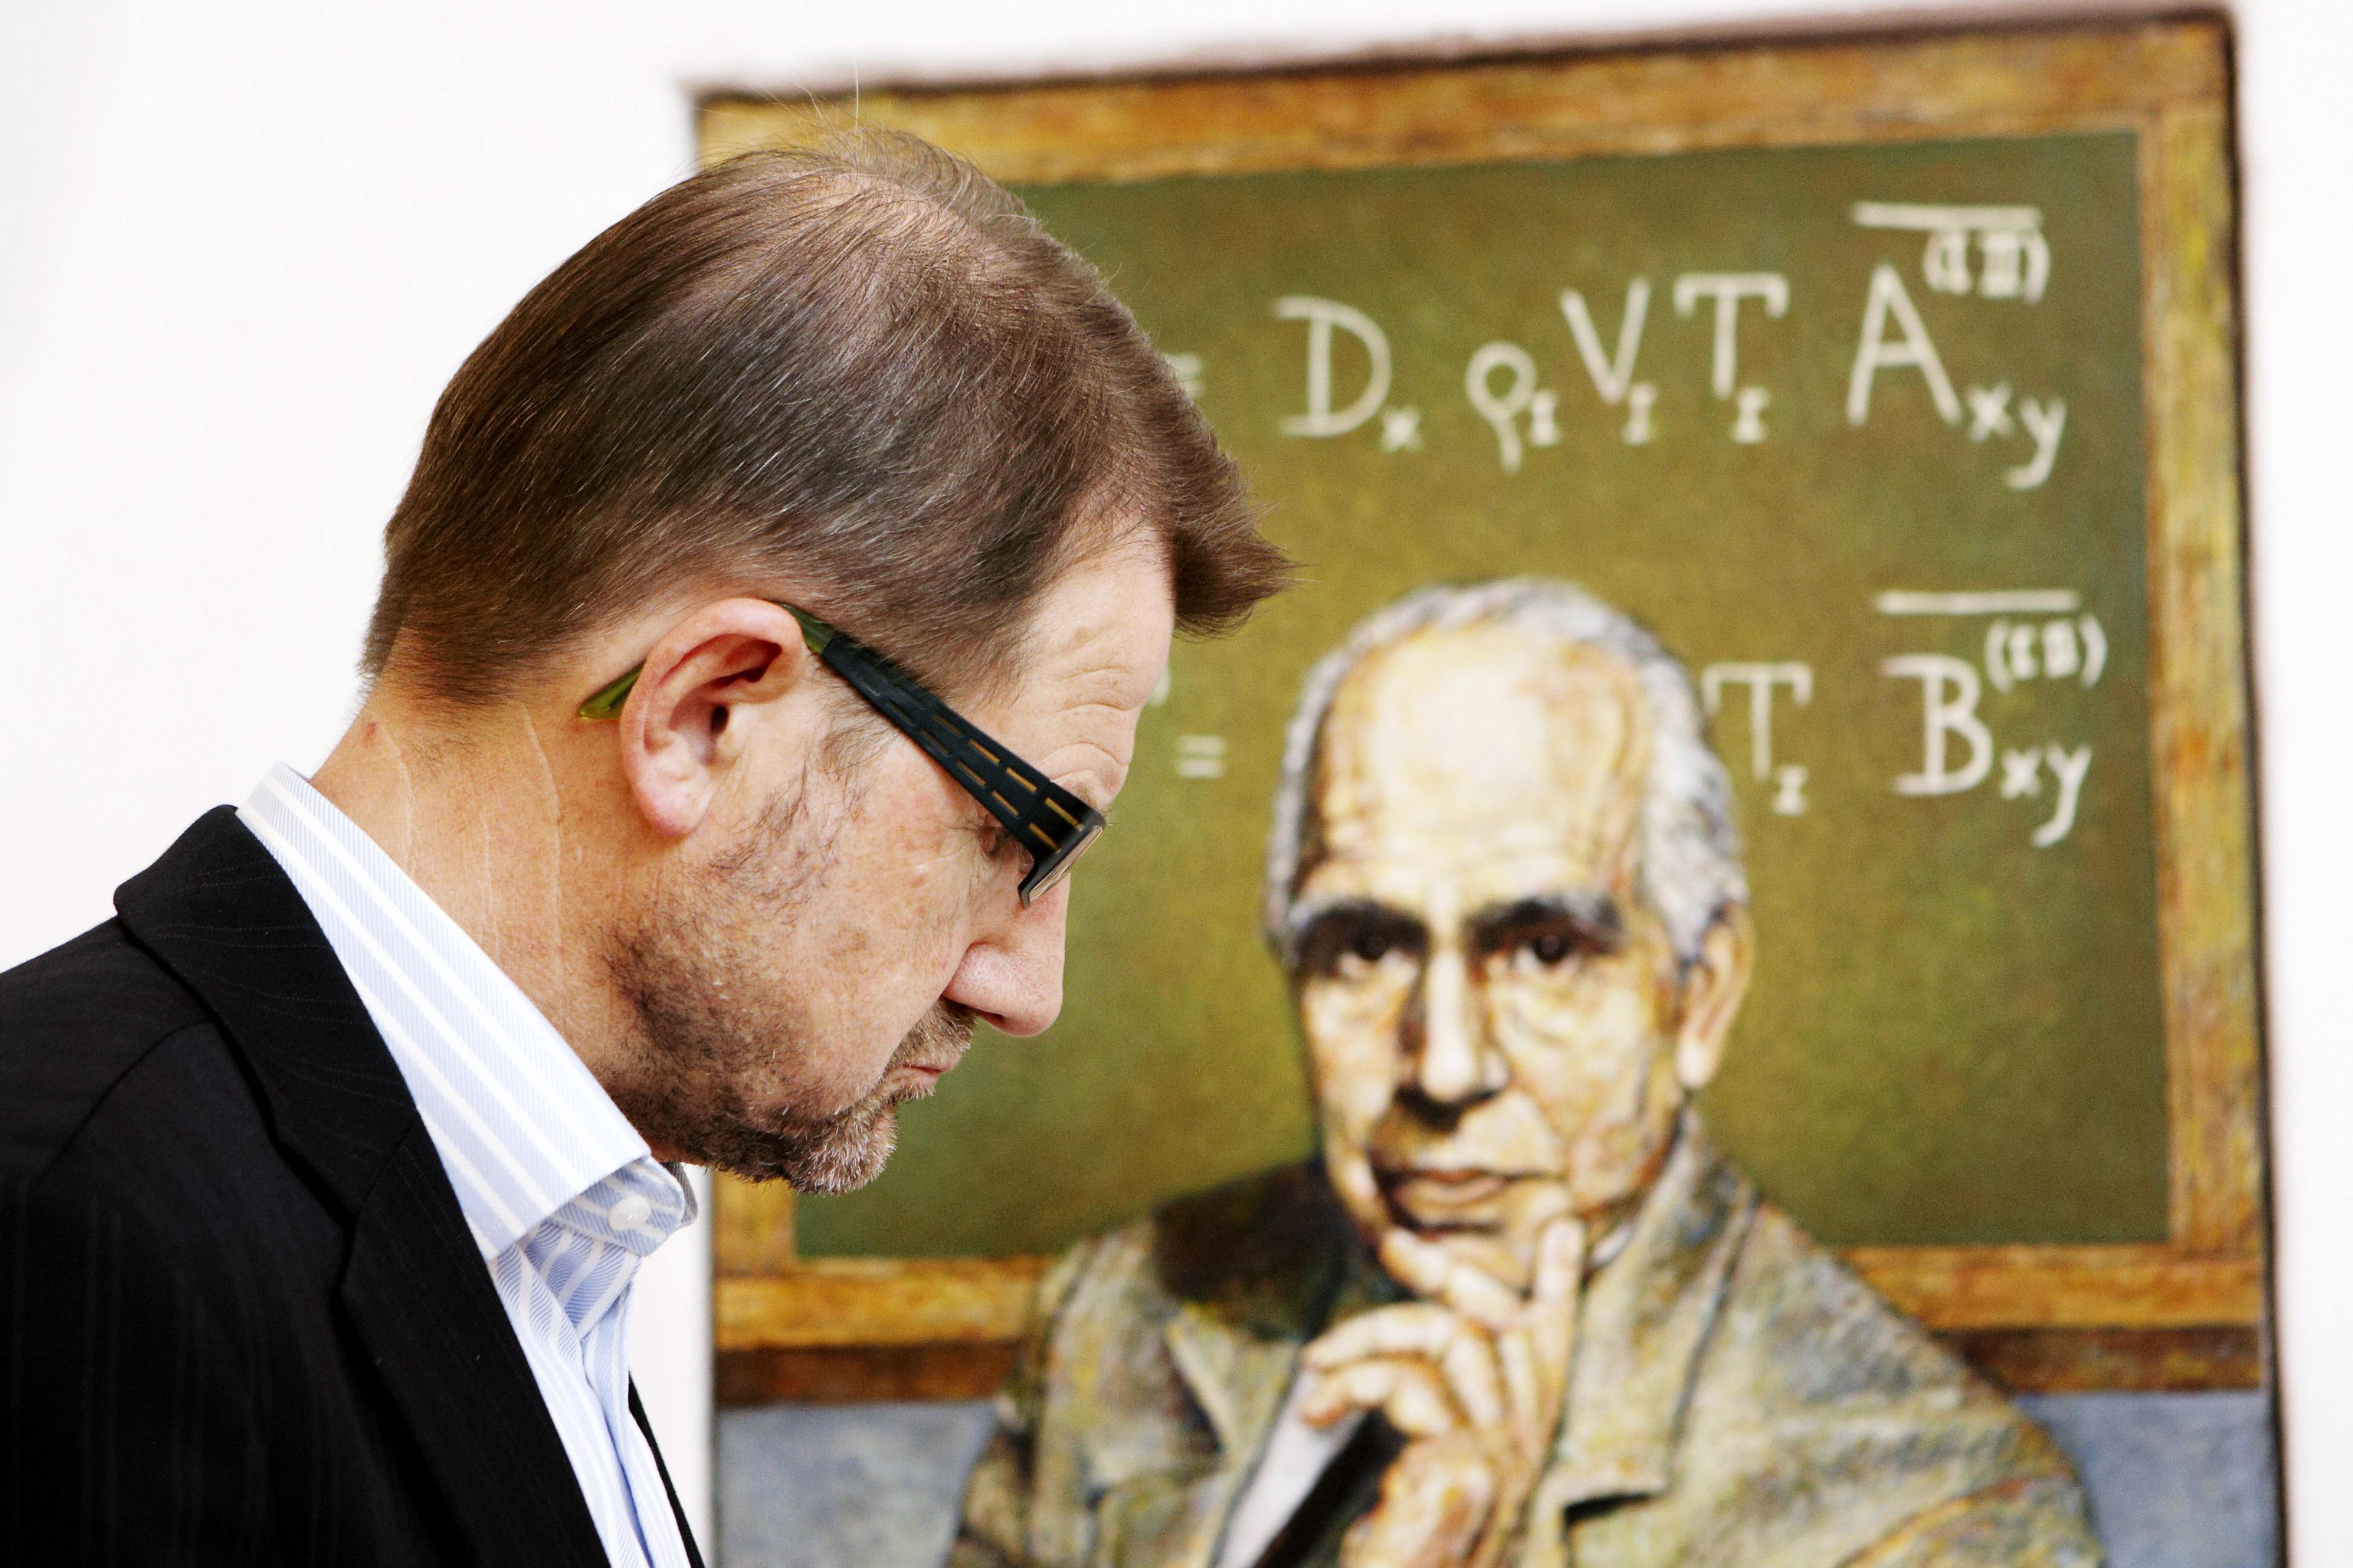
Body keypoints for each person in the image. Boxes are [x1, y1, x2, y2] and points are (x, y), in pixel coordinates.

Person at [0, 133, 1287, 1566]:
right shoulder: (67, 1235)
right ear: (704, 713)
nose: (1026, 986)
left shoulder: (517, 1244)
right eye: (1022, 835)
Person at [954, 579, 2099, 1568]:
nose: (1445, 1064)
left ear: (1699, 994)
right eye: (1364, 947)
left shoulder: (1941, 1514)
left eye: (1546, 950)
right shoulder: (1123, 1314)